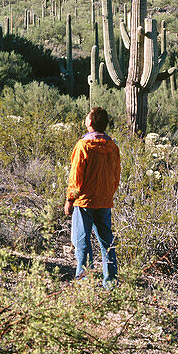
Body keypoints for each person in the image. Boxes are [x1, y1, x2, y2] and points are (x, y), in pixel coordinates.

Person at [64, 106, 120, 288]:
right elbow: (116, 175)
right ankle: (110, 281)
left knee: (81, 240)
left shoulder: (83, 146)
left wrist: (70, 199)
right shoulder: (112, 147)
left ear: (89, 122)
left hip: (84, 201)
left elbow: (76, 177)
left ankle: (84, 280)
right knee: (106, 242)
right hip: (104, 200)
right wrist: (108, 193)